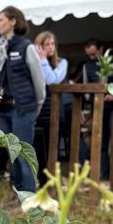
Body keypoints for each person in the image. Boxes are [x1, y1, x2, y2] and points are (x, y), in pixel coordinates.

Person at [0, 6, 45, 194]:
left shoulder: (26, 47)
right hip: (5, 109)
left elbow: (39, 80)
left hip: (22, 109)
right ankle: (17, 195)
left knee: (24, 153)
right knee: (12, 154)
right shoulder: (1, 47)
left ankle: (30, 197)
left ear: (13, 21)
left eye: (1, 20)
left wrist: (38, 104)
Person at [81, 38, 113, 179]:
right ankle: (103, 174)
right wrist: (90, 98)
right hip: (96, 108)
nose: (92, 58)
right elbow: (85, 87)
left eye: (94, 54)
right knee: (99, 140)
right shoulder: (86, 66)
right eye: (89, 55)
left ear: (101, 49)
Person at [34, 31, 68, 184]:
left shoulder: (62, 62)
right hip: (38, 111)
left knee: (53, 148)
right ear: (39, 46)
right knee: (39, 150)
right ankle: (42, 182)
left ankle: (54, 182)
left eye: (52, 43)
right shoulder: (34, 63)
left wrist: (43, 61)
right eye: (46, 44)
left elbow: (52, 80)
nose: (50, 47)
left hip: (55, 111)